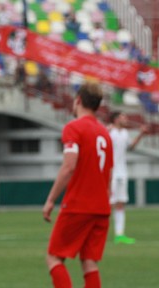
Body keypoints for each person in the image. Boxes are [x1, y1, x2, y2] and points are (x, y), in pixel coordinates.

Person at [42, 83, 113, 288]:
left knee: (54, 258)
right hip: (101, 208)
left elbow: (68, 166)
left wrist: (50, 200)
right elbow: (108, 173)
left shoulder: (74, 127)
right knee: (89, 262)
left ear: (79, 100)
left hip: (78, 205)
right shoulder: (105, 134)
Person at [107, 111, 148, 244]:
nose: (126, 119)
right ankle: (100, 232)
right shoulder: (108, 131)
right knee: (109, 203)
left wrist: (141, 134)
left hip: (122, 172)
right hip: (110, 172)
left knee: (120, 202)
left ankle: (119, 234)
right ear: (115, 119)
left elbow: (131, 147)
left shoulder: (124, 133)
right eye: (123, 117)